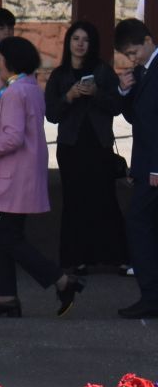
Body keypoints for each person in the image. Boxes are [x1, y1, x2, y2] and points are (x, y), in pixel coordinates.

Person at [0, 38, 81, 318]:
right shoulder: (28, 87)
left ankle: (61, 280)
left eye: (0, 58)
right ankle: (6, 297)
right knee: (1, 236)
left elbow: (12, 138)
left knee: (4, 236)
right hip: (19, 175)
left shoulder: (14, 92)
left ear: (11, 61)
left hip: (10, 177)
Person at [46, 20, 129, 278]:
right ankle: (76, 258)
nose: (80, 44)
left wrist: (96, 93)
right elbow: (51, 114)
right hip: (71, 146)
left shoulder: (103, 71)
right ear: (69, 42)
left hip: (98, 145)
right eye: (76, 39)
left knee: (105, 199)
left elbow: (117, 106)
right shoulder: (60, 75)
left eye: (86, 40)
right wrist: (69, 96)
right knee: (74, 201)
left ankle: (118, 257)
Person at [112, 19, 158, 319]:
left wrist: (155, 167)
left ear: (147, 40)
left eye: (134, 51)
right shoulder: (144, 72)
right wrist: (125, 91)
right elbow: (137, 118)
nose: (133, 58)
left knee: (138, 225)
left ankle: (151, 294)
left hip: (154, 166)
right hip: (146, 163)